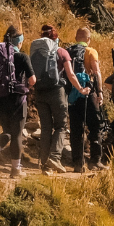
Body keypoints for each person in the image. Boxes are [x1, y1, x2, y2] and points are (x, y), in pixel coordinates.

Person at [0, 27, 35, 177]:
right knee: (17, 133)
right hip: (18, 100)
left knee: (7, 131)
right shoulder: (23, 57)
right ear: (19, 42)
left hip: (0, 98)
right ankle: (15, 169)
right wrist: (27, 86)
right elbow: (33, 80)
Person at [27, 25, 79, 175]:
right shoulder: (61, 51)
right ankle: (55, 158)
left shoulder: (36, 51)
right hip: (57, 92)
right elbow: (70, 74)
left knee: (45, 128)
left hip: (40, 92)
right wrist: (81, 89)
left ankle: (45, 163)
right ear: (55, 37)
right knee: (61, 126)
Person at [65, 28, 107, 173]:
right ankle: (95, 161)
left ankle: (78, 163)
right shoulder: (90, 51)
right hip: (88, 94)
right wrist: (100, 92)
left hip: (72, 95)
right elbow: (97, 72)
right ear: (88, 39)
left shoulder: (68, 51)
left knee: (76, 129)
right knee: (95, 126)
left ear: (76, 37)